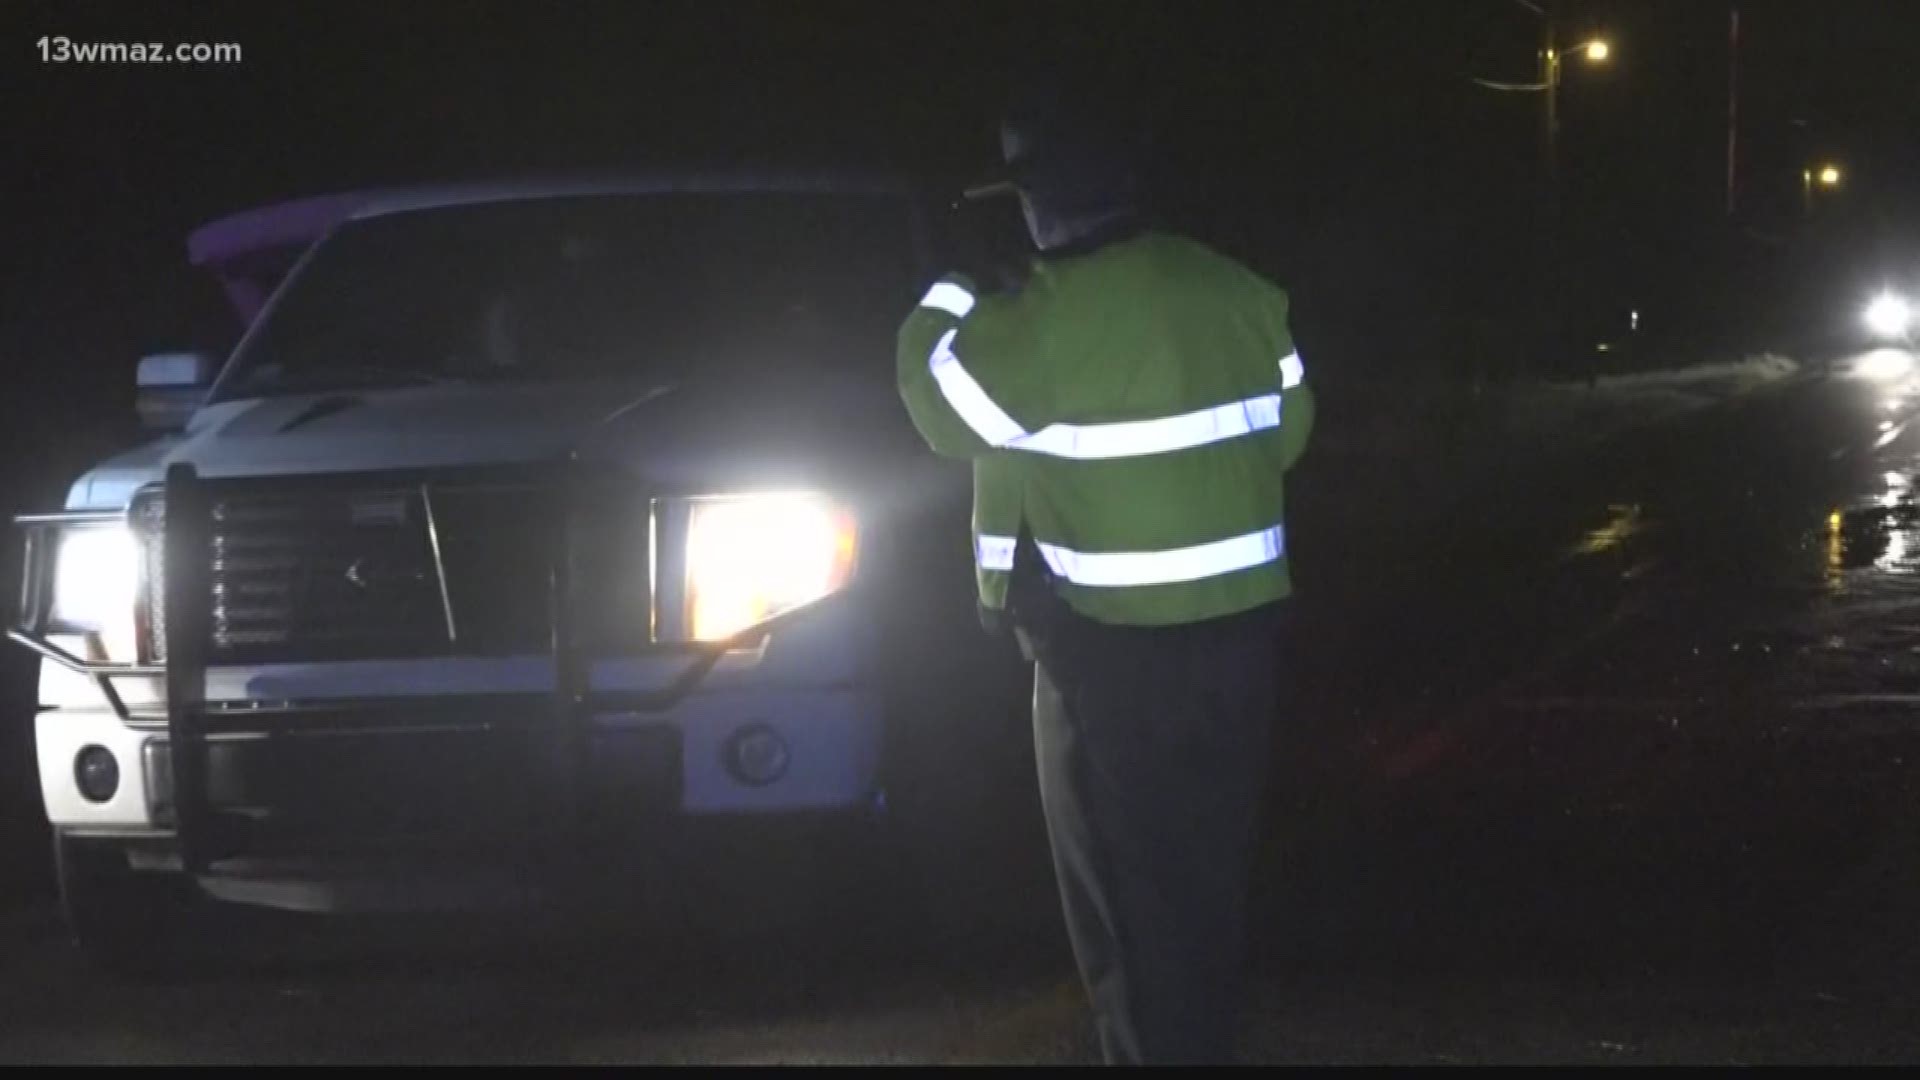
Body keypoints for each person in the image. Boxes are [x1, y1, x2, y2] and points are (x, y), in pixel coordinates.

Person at [894, 83, 1316, 1064]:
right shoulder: (1238, 290)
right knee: (1205, 895)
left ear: (1037, 201)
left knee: (1125, 914)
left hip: (1109, 664)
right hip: (1242, 648)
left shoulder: (1037, 326)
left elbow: (934, 402)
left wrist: (947, 293)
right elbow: (1287, 435)